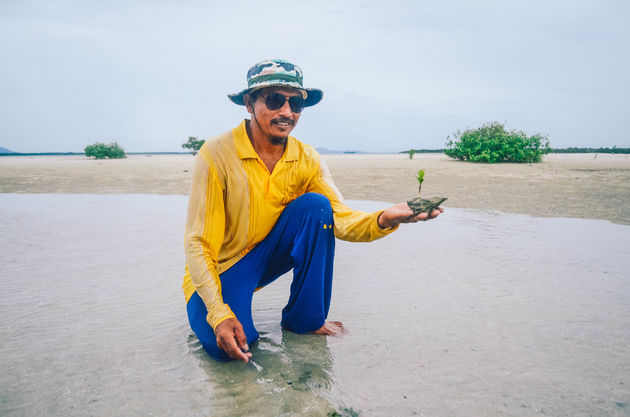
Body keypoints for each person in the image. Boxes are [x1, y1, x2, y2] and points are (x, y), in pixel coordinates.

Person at [183, 59, 443, 362]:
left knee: (316, 208)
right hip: (222, 268)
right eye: (275, 100)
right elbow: (197, 242)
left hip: (266, 256)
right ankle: (219, 309)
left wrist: (383, 219)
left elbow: (339, 218)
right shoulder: (216, 154)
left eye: (295, 104)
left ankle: (305, 320)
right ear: (249, 103)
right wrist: (217, 313)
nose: (286, 112)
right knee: (231, 348)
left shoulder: (306, 158)